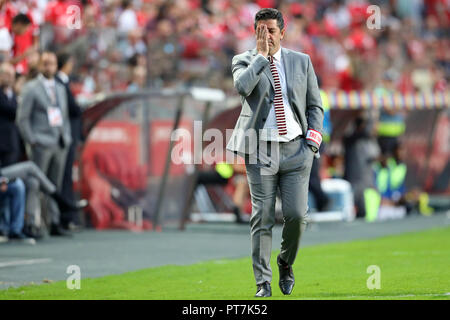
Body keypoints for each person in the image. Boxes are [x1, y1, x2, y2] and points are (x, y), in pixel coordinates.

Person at [226, 8, 324, 297]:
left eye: (270, 30)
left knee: (296, 216)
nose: (265, 35)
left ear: (283, 31)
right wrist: (260, 57)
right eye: (260, 30)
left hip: (296, 150)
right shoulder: (243, 60)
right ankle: (262, 283)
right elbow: (243, 88)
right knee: (263, 216)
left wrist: (312, 144)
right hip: (259, 150)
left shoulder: (301, 61)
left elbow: (314, 105)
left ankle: (285, 261)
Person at [16, 51, 72, 236]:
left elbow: (64, 116)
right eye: (45, 64)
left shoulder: (61, 88)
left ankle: (54, 222)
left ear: (57, 66)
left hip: (59, 142)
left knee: (55, 184)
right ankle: (32, 222)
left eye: (52, 63)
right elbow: (23, 118)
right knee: (35, 184)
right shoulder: (31, 88)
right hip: (41, 142)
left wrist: (67, 137)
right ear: (40, 66)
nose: (49, 67)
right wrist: (32, 140)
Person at [55, 51, 84, 230]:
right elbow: (72, 109)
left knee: (66, 177)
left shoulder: (62, 82)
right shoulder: (60, 82)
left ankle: (67, 216)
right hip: (64, 137)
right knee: (63, 177)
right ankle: (64, 217)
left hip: (68, 136)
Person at [0, 62, 22, 167]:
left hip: (12, 142)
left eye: (12, 76)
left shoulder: (13, 94)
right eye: (7, 75)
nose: (10, 78)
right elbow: (8, 108)